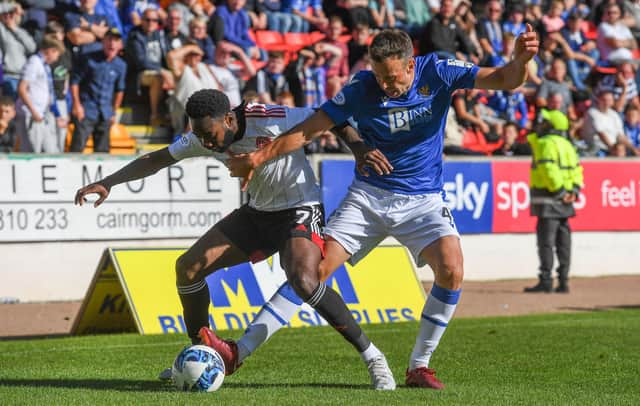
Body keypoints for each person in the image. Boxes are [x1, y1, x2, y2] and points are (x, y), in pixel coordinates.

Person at [222, 27, 540, 389]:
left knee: (452, 268)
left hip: (423, 199)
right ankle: (240, 351)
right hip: (369, 198)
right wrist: (259, 157)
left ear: (409, 65)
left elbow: (504, 79)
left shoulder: (438, 70)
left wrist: (521, 60)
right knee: (313, 272)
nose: (386, 85)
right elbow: (311, 129)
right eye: (379, 76)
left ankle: (419, 366)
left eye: (392, 77)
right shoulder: (361, 88)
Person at [73, 88, 395, 390]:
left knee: (303, 280)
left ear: (228, 119)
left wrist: (359, 148)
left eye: (209, 135)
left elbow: (329, 117)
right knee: (188, 267)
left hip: (299, 208)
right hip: (256, 215)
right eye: (198, 135)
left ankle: (373, 358)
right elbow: (156, 159)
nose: (206, 143)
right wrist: (108, 182)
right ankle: (204, 353)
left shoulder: (270, 118)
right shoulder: (203, 136)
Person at [524, 109, 583, 294]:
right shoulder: (568, 145)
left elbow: (548, 170)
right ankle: (564, 281)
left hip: (548, 200)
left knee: (546, 242)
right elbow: (577, 171)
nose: (541, 124)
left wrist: (559, 191)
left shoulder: (544, 143)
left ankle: (546, 280)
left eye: (545, 122)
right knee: (564, 242)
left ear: (550, 126)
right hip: (566, 201)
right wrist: (573, 191)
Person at [69, 28, 126, 153]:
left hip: (105, 112)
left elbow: (120, 89)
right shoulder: (89, 59)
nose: (112, 43)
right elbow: (74, 82)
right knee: (77, 148)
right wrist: (77, 105)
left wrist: (114, 111)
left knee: (103, 151)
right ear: (103, 42)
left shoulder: (121, 65)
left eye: (116, 40)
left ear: (120, 45)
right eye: (109, 40)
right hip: (87, 110)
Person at [15, 37, 64, 153]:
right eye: (57, 53)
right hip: (31, 115)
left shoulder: (44, 65)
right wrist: (34, 112)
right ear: (50, 51)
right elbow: (22, 88)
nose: (57, 58)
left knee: (51, 151)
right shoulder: (34, 62)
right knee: (32, 151)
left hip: (41, 114)